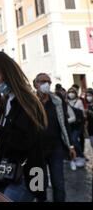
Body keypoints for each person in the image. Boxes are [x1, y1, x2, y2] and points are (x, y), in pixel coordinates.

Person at [0, 51, 47, 202]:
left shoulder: (27, 103)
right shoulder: (5, 102)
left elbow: (25, 141)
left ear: (8, 75)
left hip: (26, 176)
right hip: (5, 174)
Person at [34, 73, 76, 202]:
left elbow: (64, 124)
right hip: (36, 149)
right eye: (43, 81)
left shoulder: (57, 101)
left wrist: (71, 146)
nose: (46, 84)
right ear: (36, 84)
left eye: (48, 82)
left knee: (59, 183)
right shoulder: (30, 102)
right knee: (38, 185)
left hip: (55, 148)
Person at [66, 86, 86, 170]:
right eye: (69, 92)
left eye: (72, 92)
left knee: (74, 139)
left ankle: (81, 156)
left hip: (78, 124)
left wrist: (71, 108)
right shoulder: (66, 102)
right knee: (71, 142)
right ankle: (74, 158)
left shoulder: (79, 101)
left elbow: (82, 112)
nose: (71, 94)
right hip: (70, 125)